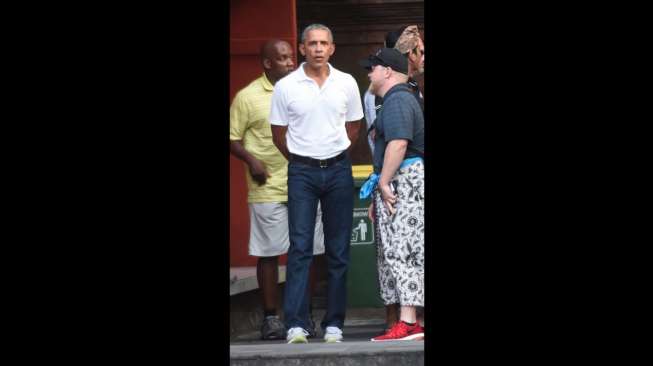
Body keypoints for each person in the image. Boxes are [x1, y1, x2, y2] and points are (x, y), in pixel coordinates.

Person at [270, 23, 364, 344]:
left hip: (338, 170)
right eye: (312, 44)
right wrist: (304, 157)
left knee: (338, 250)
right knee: (300, 248)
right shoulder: (286, 86)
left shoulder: (347, 83)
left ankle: (334, 324)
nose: (319, 49)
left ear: (332, 48)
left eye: (324, 43)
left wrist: (333, 151)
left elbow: (354, 126)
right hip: (302, 172)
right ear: (302, 48)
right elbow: (278, 134)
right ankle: (295, 323)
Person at [229, 39, 326, 340]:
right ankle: (271, 318)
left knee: (308, 250)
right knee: (270, 253)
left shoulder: (305, 88)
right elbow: (232, 137)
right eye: (282, 58)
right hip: (268, 185)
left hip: (306, 181)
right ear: (268, 64)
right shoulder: (247, 97)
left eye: (290, 57)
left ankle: (304, 315)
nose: (289, 62)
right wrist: (251, 161)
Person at [358, 48, 425, 341]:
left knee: (404, 250)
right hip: (398, 182)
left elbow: (398, 144)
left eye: (372, 68)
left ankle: (409, 322)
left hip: (404, 182)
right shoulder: (395, 99)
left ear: (387, 71)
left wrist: (384, 183)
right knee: (396, 252)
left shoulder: (398, 99)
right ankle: (408, 321)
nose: (369, 73)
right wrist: (379, 188)